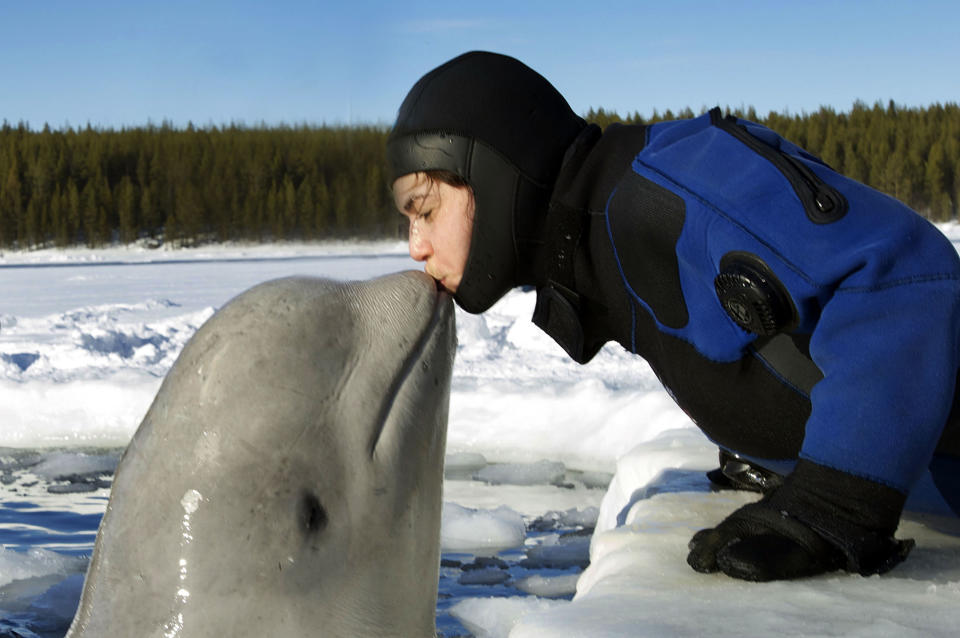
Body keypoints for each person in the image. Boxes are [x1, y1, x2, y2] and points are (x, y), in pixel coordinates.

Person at [387, 51, 960, 582]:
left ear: (494, 177)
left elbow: (901, 277)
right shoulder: (599, 243)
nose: (415, 245)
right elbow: (755, 332)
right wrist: (774, 448)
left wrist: (834, 501)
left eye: (426, 210)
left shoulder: (661, 192)